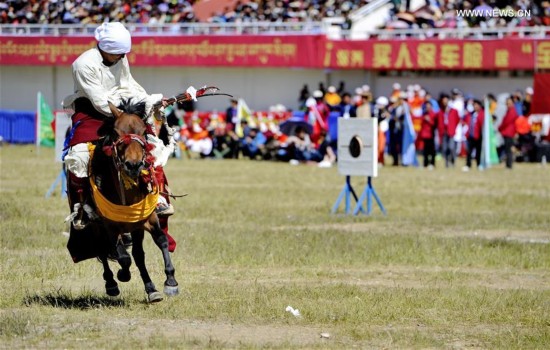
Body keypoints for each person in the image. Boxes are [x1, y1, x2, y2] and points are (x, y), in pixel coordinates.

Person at [62, 22, 185, 250]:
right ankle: (81, 208)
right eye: (117, 53)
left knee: (152, 145)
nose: (121, 57)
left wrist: (151, 99)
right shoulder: (83, 65)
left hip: (123, 109)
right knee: (78, 157)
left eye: (123, 54)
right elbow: (100, 102)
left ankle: (159, 198)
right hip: (93, 112)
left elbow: (129, 85)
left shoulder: (119, 57)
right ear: (104, 48)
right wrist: (133, 109)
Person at [462, 99, 485, 171]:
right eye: (474, 105)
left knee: (478, 151)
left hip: (479, 136)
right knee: (469, 151)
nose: (475, 106)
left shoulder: (482, 114)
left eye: (476, 105)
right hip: (471, 135)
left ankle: (479, 164)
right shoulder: (471, 114)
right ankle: (468, 165)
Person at [499, 97, 518, 169]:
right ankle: (508, 164)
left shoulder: (512, 111)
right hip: (507, 133)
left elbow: (506, 122)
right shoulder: (509, 111)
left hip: (509, 133)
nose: (508, 105)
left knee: (509, 150)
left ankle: (509, 165)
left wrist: (500, 128)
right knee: (507, 149)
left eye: (509, 103)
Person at [419, 101, 437, 169]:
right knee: (425, 151)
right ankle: (425, 164)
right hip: (425, 135)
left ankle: (432, 163)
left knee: (432, 150)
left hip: (431, 135)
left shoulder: (433, 114)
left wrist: (429, 120)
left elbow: (434, 124)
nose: (427, 108)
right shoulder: (424, 114)